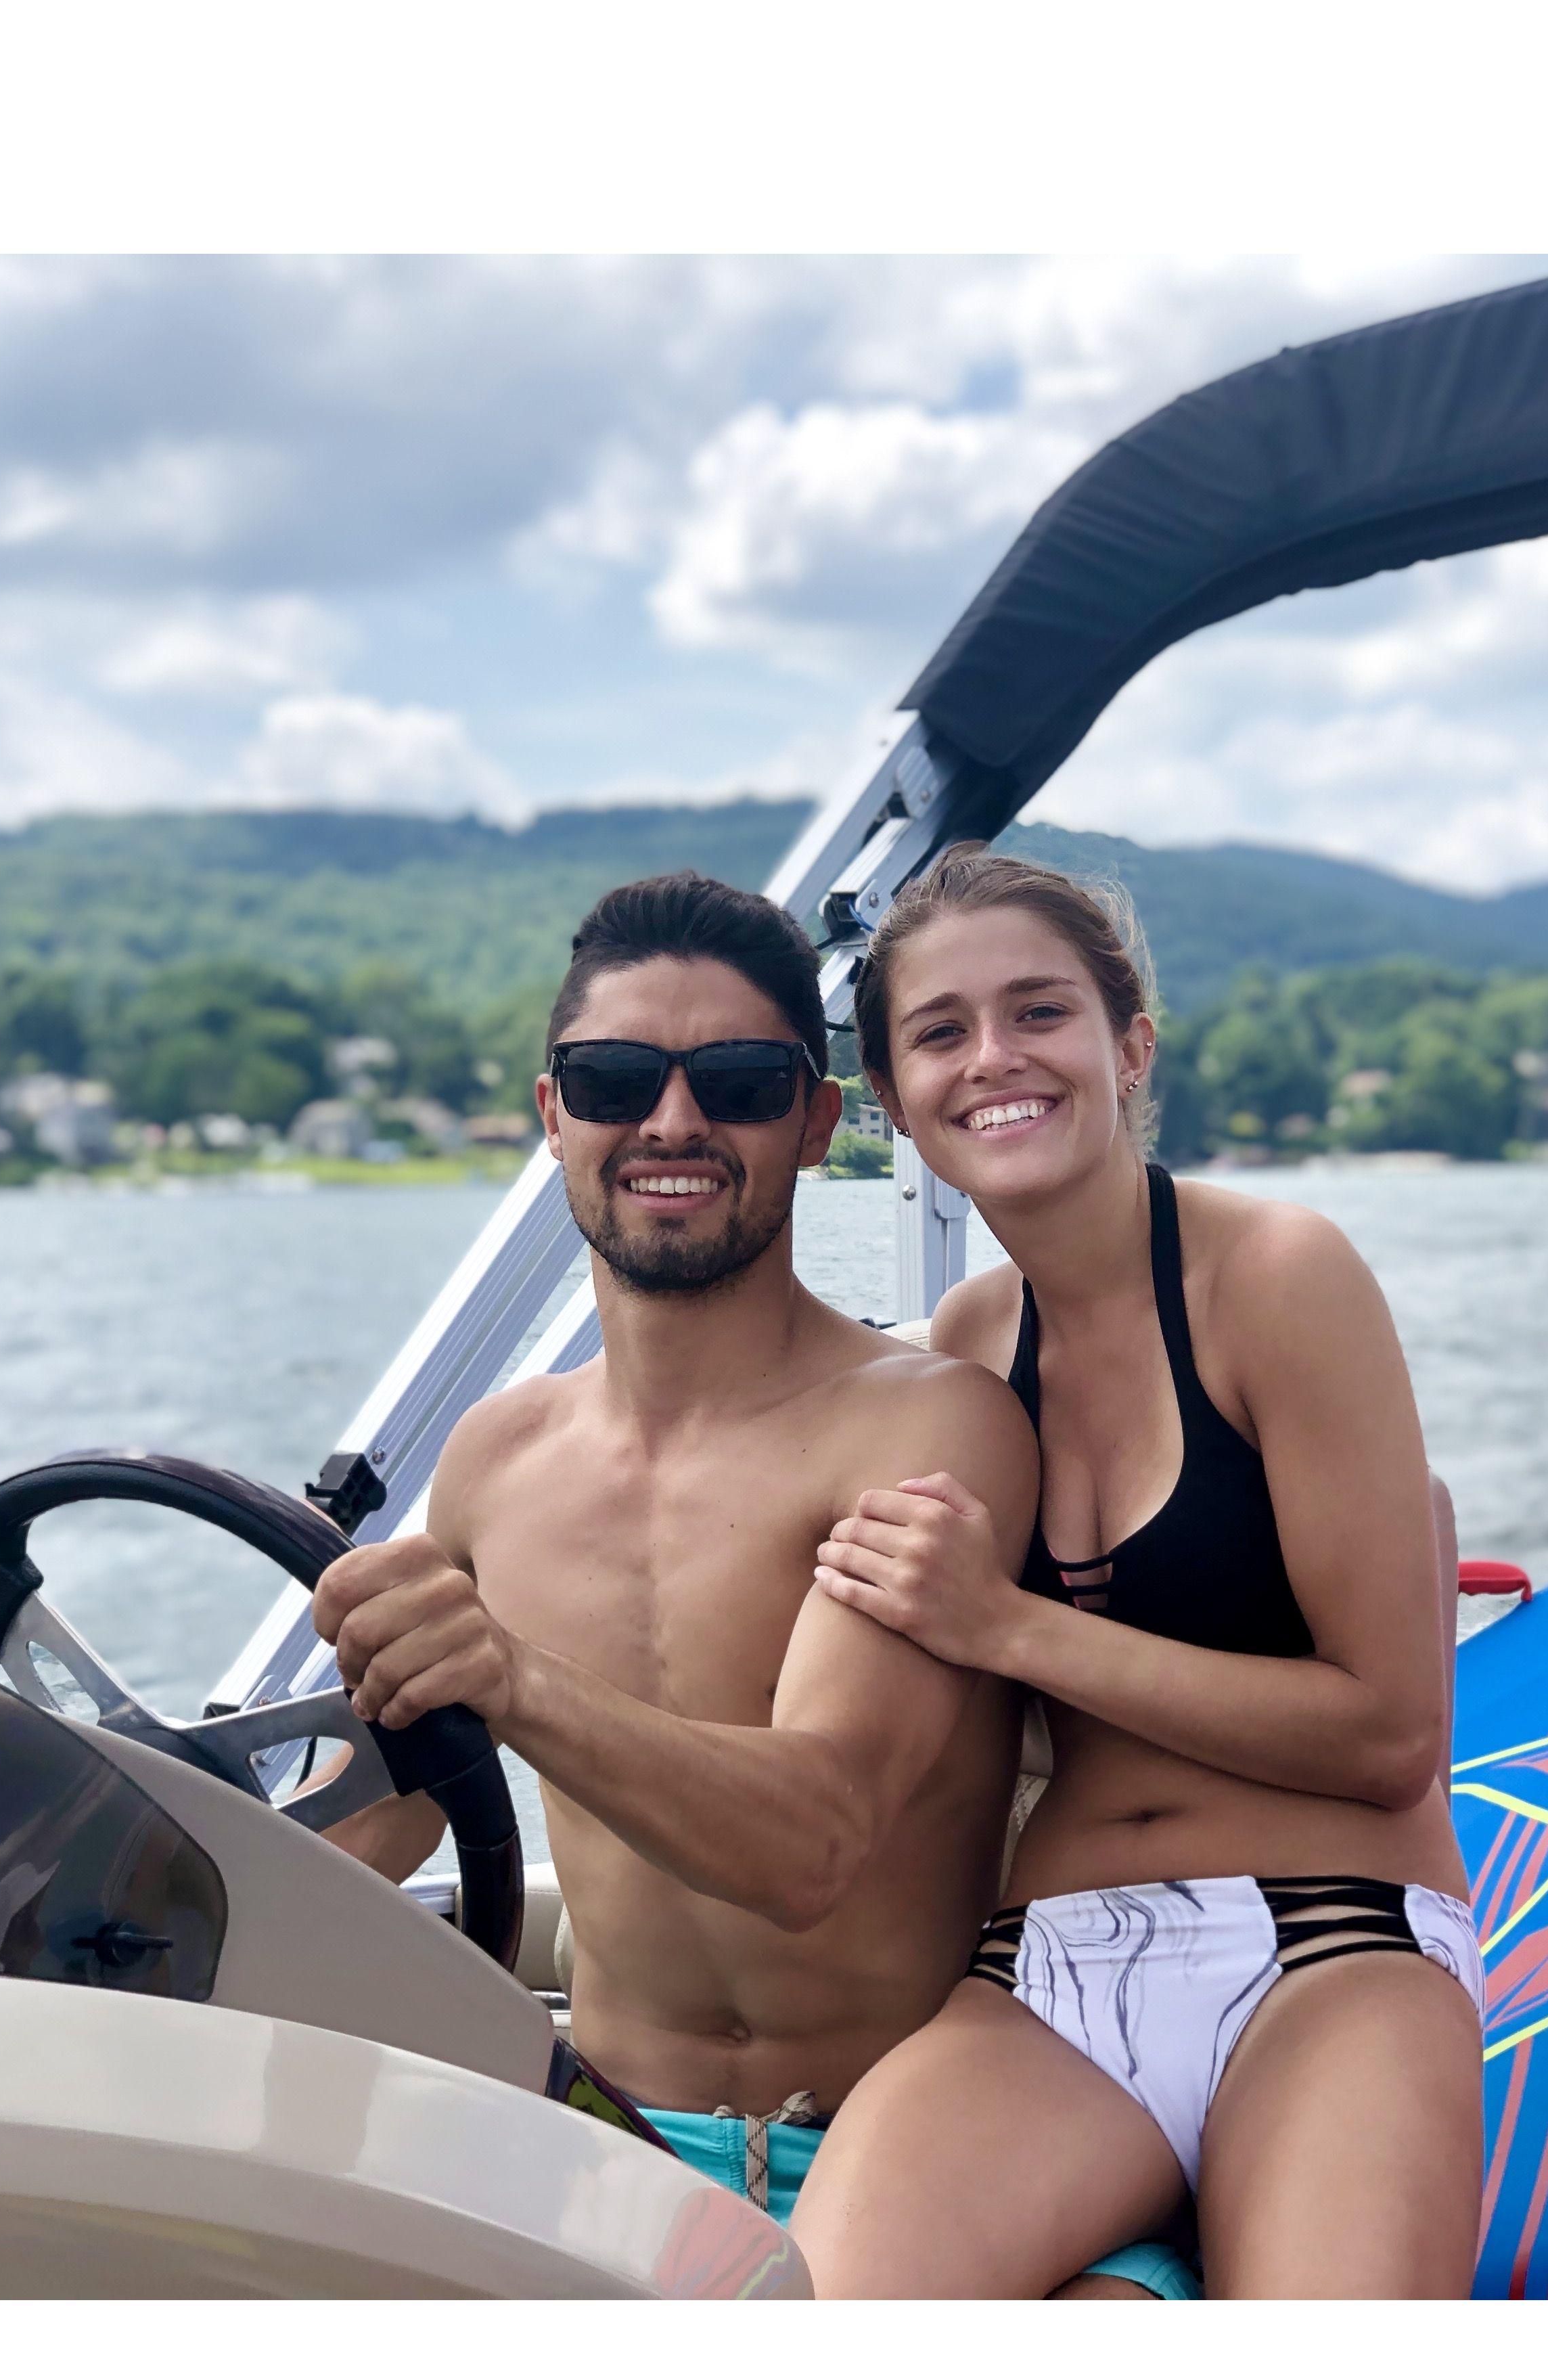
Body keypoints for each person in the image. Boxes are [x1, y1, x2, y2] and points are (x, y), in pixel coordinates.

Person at [309, 870, 1199, 2296]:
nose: (671, 1123)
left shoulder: (928, 1426)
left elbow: (814, 1843)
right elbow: (400, 1823)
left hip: (925, 2171)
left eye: (733, 1081)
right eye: (613, 1081)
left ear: (814, 1122)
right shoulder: (495, 1459)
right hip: (599, 2157)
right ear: (555, 1119)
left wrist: (513, 1674)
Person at [790, 849, 1482, 2298]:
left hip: (1332, 1945)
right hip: (1046, 1978)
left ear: (1129, 1044)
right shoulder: (960, 1358)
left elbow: (1389, 1733)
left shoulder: (1277, 1277)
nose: (996, 1059)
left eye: (1040, 1011)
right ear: (894, 1100)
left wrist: (1008, 1624)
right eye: (940, 1032)